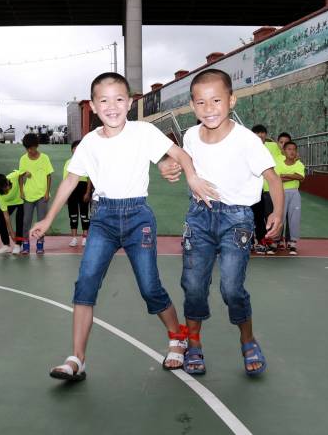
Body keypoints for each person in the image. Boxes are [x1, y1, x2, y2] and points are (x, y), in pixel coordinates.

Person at [31, 72, 217, 381]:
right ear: (93, 105)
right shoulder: (88, 143)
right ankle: (76, 358)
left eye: (119, 99)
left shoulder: (142, 132)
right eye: (103, 100)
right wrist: (49, 219)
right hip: (103, 218)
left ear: (129, 102)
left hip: (137, 217)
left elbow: (179, 153)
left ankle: (177, 336)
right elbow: (70, 180)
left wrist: (192, 176)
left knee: (149, 286)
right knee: (85, 286)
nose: (112, 106)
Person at [158, 69, 284, 377]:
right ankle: (194, 343)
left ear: (231, 100)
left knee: (231, 288)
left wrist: (277, 212)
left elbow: (272, 177)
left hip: (236, 220)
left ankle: (248, 339)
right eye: (201, 103)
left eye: (216, 100)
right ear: (192, 105)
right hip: (199, 217)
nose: (209, 108)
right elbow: (183, 163)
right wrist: (171, 167)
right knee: (194, 286)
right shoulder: (190, 136)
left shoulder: (246, 140)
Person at [251, 124, 285, 254]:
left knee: (260, 218)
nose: (260, 140)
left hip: (262, 190)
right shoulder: (244, 147)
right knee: (247, 218)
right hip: (247, 191)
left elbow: (282, 154)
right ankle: (247, 242)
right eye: (257, 137)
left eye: (263, 138)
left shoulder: (271, 147)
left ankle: (261, 241)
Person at [19, 133, 54, 255]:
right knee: (26, 221)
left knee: (41, 221)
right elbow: (20, 176)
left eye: (32, 148)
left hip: (41, 196)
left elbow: (49, 176)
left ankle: (40, 244)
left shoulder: (44, 158)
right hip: (28, 196)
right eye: (28, 148)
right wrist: (21, 191)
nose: (30, 150)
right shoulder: (23, 159)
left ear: (37, 146)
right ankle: (26, 244)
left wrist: (46, 192)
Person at [277, 141, 305, 256]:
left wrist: (285, 175)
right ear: (284, 151)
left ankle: (292, 243)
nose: (292, 151)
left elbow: (300, 177)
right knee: (280, 217)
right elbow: (278, 179)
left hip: (294, 193)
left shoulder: (299, 164)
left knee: (294, 218)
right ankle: (275, 242)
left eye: (294, 149)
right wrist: (293, 176)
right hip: (281, 193)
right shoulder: (278, 164)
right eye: (289, 149)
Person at [63, 140, 92, 247]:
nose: (76, 149)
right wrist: (66, 195)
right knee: (73, 216)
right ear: (72, 150)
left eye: (78, 147)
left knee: (84, 215)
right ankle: (74, 238)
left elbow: (90, 179)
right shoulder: (68, 162)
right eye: (74, 148)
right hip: (71, 191)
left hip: (83, 189)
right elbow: (65, 180)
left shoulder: (87, 162)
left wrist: (88, 192)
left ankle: (85, 238)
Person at [0, 171, 26, 255]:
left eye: (5, 188)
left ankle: (18, 244)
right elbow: (6, 217)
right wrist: (11, 233)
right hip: (9, 203)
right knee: (0, 219)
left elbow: (22, 174)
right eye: (2, 190)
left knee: (19, 219)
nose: (5, 191)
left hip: (21, 200)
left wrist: (22, 191)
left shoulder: (14, 176)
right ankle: (6, 245)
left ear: (7, 181)